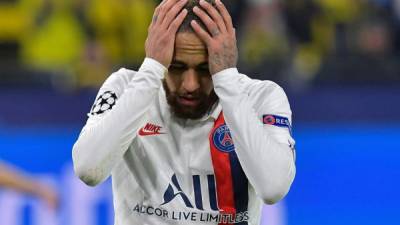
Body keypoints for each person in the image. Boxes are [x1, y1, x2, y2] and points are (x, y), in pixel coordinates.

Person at [72, 0, 296, 224]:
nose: (190, 84)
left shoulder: (261, 97)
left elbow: (273, 188)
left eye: (205, 69)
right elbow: (88, 169)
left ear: (224, 57)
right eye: (176, 67)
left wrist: (226, 78)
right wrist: (151, 69)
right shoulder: (125, 87)